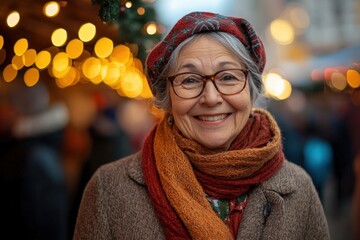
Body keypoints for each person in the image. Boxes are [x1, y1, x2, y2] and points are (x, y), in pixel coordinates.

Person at [73, 11, 330, 239]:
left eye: (228, 77)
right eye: (190, 80)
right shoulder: (108, 191)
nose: (210, 98)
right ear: (167, 98)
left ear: (251, 91)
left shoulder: (299, 188)